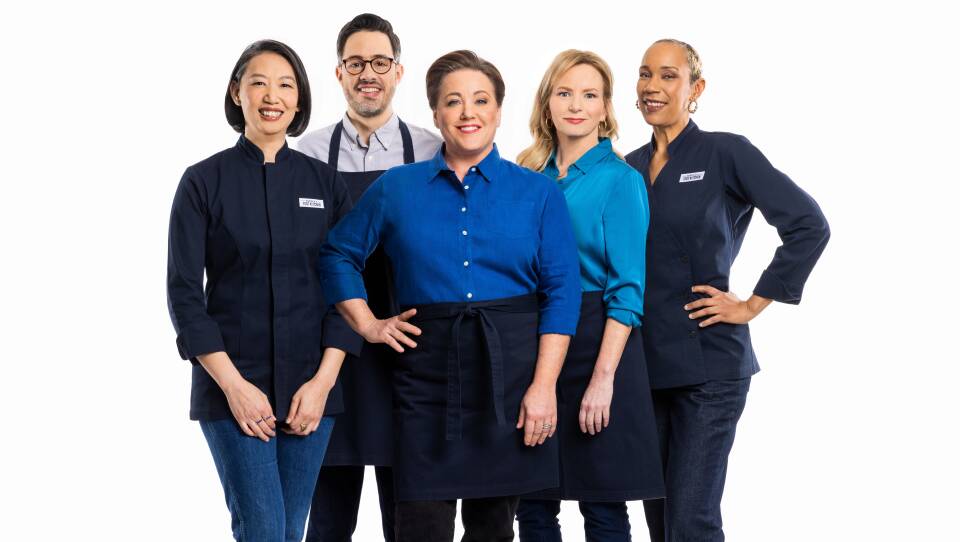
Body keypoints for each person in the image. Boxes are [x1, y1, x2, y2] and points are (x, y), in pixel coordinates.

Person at [318, 50, 581, 542]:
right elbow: (337, 254)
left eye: (481, 100)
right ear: (435, 113)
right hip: (424, 379)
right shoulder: (396, 187)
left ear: (499, 110)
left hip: (511, 376)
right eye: (453, 102)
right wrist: (369, 323)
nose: (468, 113)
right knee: (418, 525)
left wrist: (543, 388)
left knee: (494, 529)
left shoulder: (539, 194)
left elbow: (562, 294)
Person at [625, 39, 830, 541]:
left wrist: (752, 304)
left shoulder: (725, 151)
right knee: (659, 521)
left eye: (669, 75)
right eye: (645, 74)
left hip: (709, 366)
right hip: (644, 365)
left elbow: (808, 224)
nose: (653, 86)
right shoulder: (626, 167)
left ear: (696, 88)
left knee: (690, 521)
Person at [166, 39, 361, 542]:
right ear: (237, 93)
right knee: (263, 531)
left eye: (285, 84)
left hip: (310, 391)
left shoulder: (325, 183)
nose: (271, 95)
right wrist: (234, 387)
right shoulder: (202, 182)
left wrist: (322, 385)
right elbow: (185, 294)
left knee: (288, 531)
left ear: (299, 101)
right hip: (233, 387)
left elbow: (345, 290)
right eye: (258, 82)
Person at [297, 14, 441, 542]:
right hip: (332, 351)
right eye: (355, 63)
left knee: (408, 518)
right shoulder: (306, 155)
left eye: (380, 62)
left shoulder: (431, 151)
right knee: (328, 519)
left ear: (398, 72)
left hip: (410, 348)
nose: (368, 73)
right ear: (338, 73)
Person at [514, 49, 665, 542]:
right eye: (564, 92)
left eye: (589, 95)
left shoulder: (620, 181)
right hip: (535, 342)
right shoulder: (528, 176)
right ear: (547, 103)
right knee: (533, 503)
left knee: (603, 503)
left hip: (598, 339)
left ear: (605, 108)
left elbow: (627, 289)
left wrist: (603, 379)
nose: (575, 105)